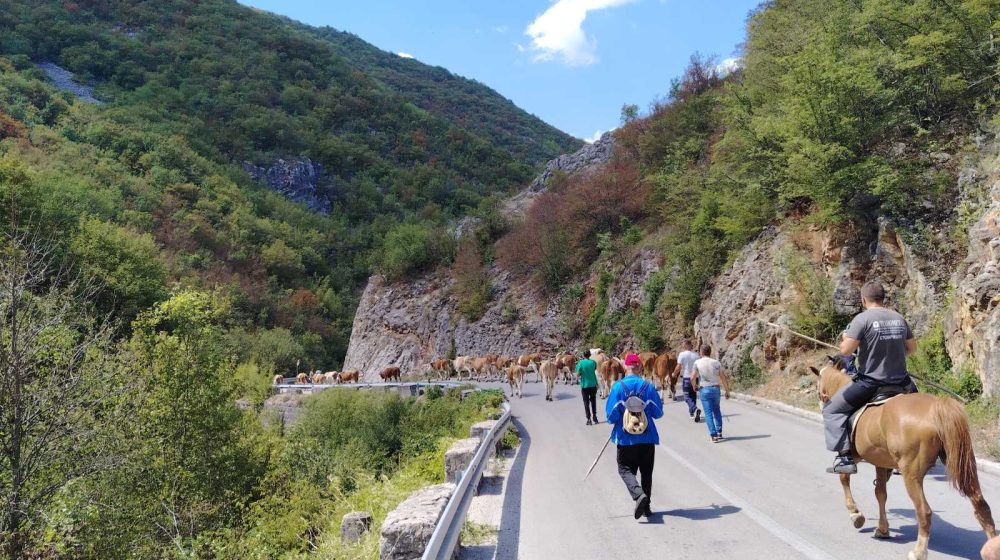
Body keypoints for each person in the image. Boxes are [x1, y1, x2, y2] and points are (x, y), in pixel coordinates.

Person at [824, 280, 917, 474]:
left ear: (863, 299)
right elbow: (912, 349)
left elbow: (846, 351)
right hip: (902, 383)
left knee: (832, 410)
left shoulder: (862, 319)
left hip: (872, 384)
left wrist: (845, 341)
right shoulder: (899, 318)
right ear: (883, 298)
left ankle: (844, 457)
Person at [606, 353, 663, 519]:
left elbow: (610, 417)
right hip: (647, 437)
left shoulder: (617, 387)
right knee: (646, 472)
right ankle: (647, 508)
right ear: (639, 367)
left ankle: (638, 495)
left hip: (625, 438)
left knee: (624, 469)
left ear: (625, 367)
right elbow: (658, 413)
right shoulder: (648, 386)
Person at [692, 345, 730, 442]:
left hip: (704, 389)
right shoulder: (716, 363)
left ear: (701, 352)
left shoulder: (697, 363)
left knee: (708, 413)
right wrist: (727, 391)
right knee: (717, 411)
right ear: (710, 351)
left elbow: (692, 377)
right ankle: (719, 432)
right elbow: (723, 377)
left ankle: (713, 435)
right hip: (716, 389)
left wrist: (694, 386)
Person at [674, 339, 701, 422]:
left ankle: (694, 409)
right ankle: (692, 413)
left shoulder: (682, 354)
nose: (682, 346)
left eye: (683, 345)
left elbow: (678, 367)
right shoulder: (696, 355)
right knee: (693, 395)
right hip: (695, 378)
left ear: (686, 345)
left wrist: (674, 373)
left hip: (687, 378)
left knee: (686, 397)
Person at [576, 350, 599, 425]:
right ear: (590, 355)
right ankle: (595, 416)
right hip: (593, 384)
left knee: (586, 403)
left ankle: (588, 419)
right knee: (593, 401)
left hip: (585, 385)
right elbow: (594, 369)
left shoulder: (581, 363)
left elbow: (578, 374)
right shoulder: (593, 362)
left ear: (583, 355)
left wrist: (581, 372)